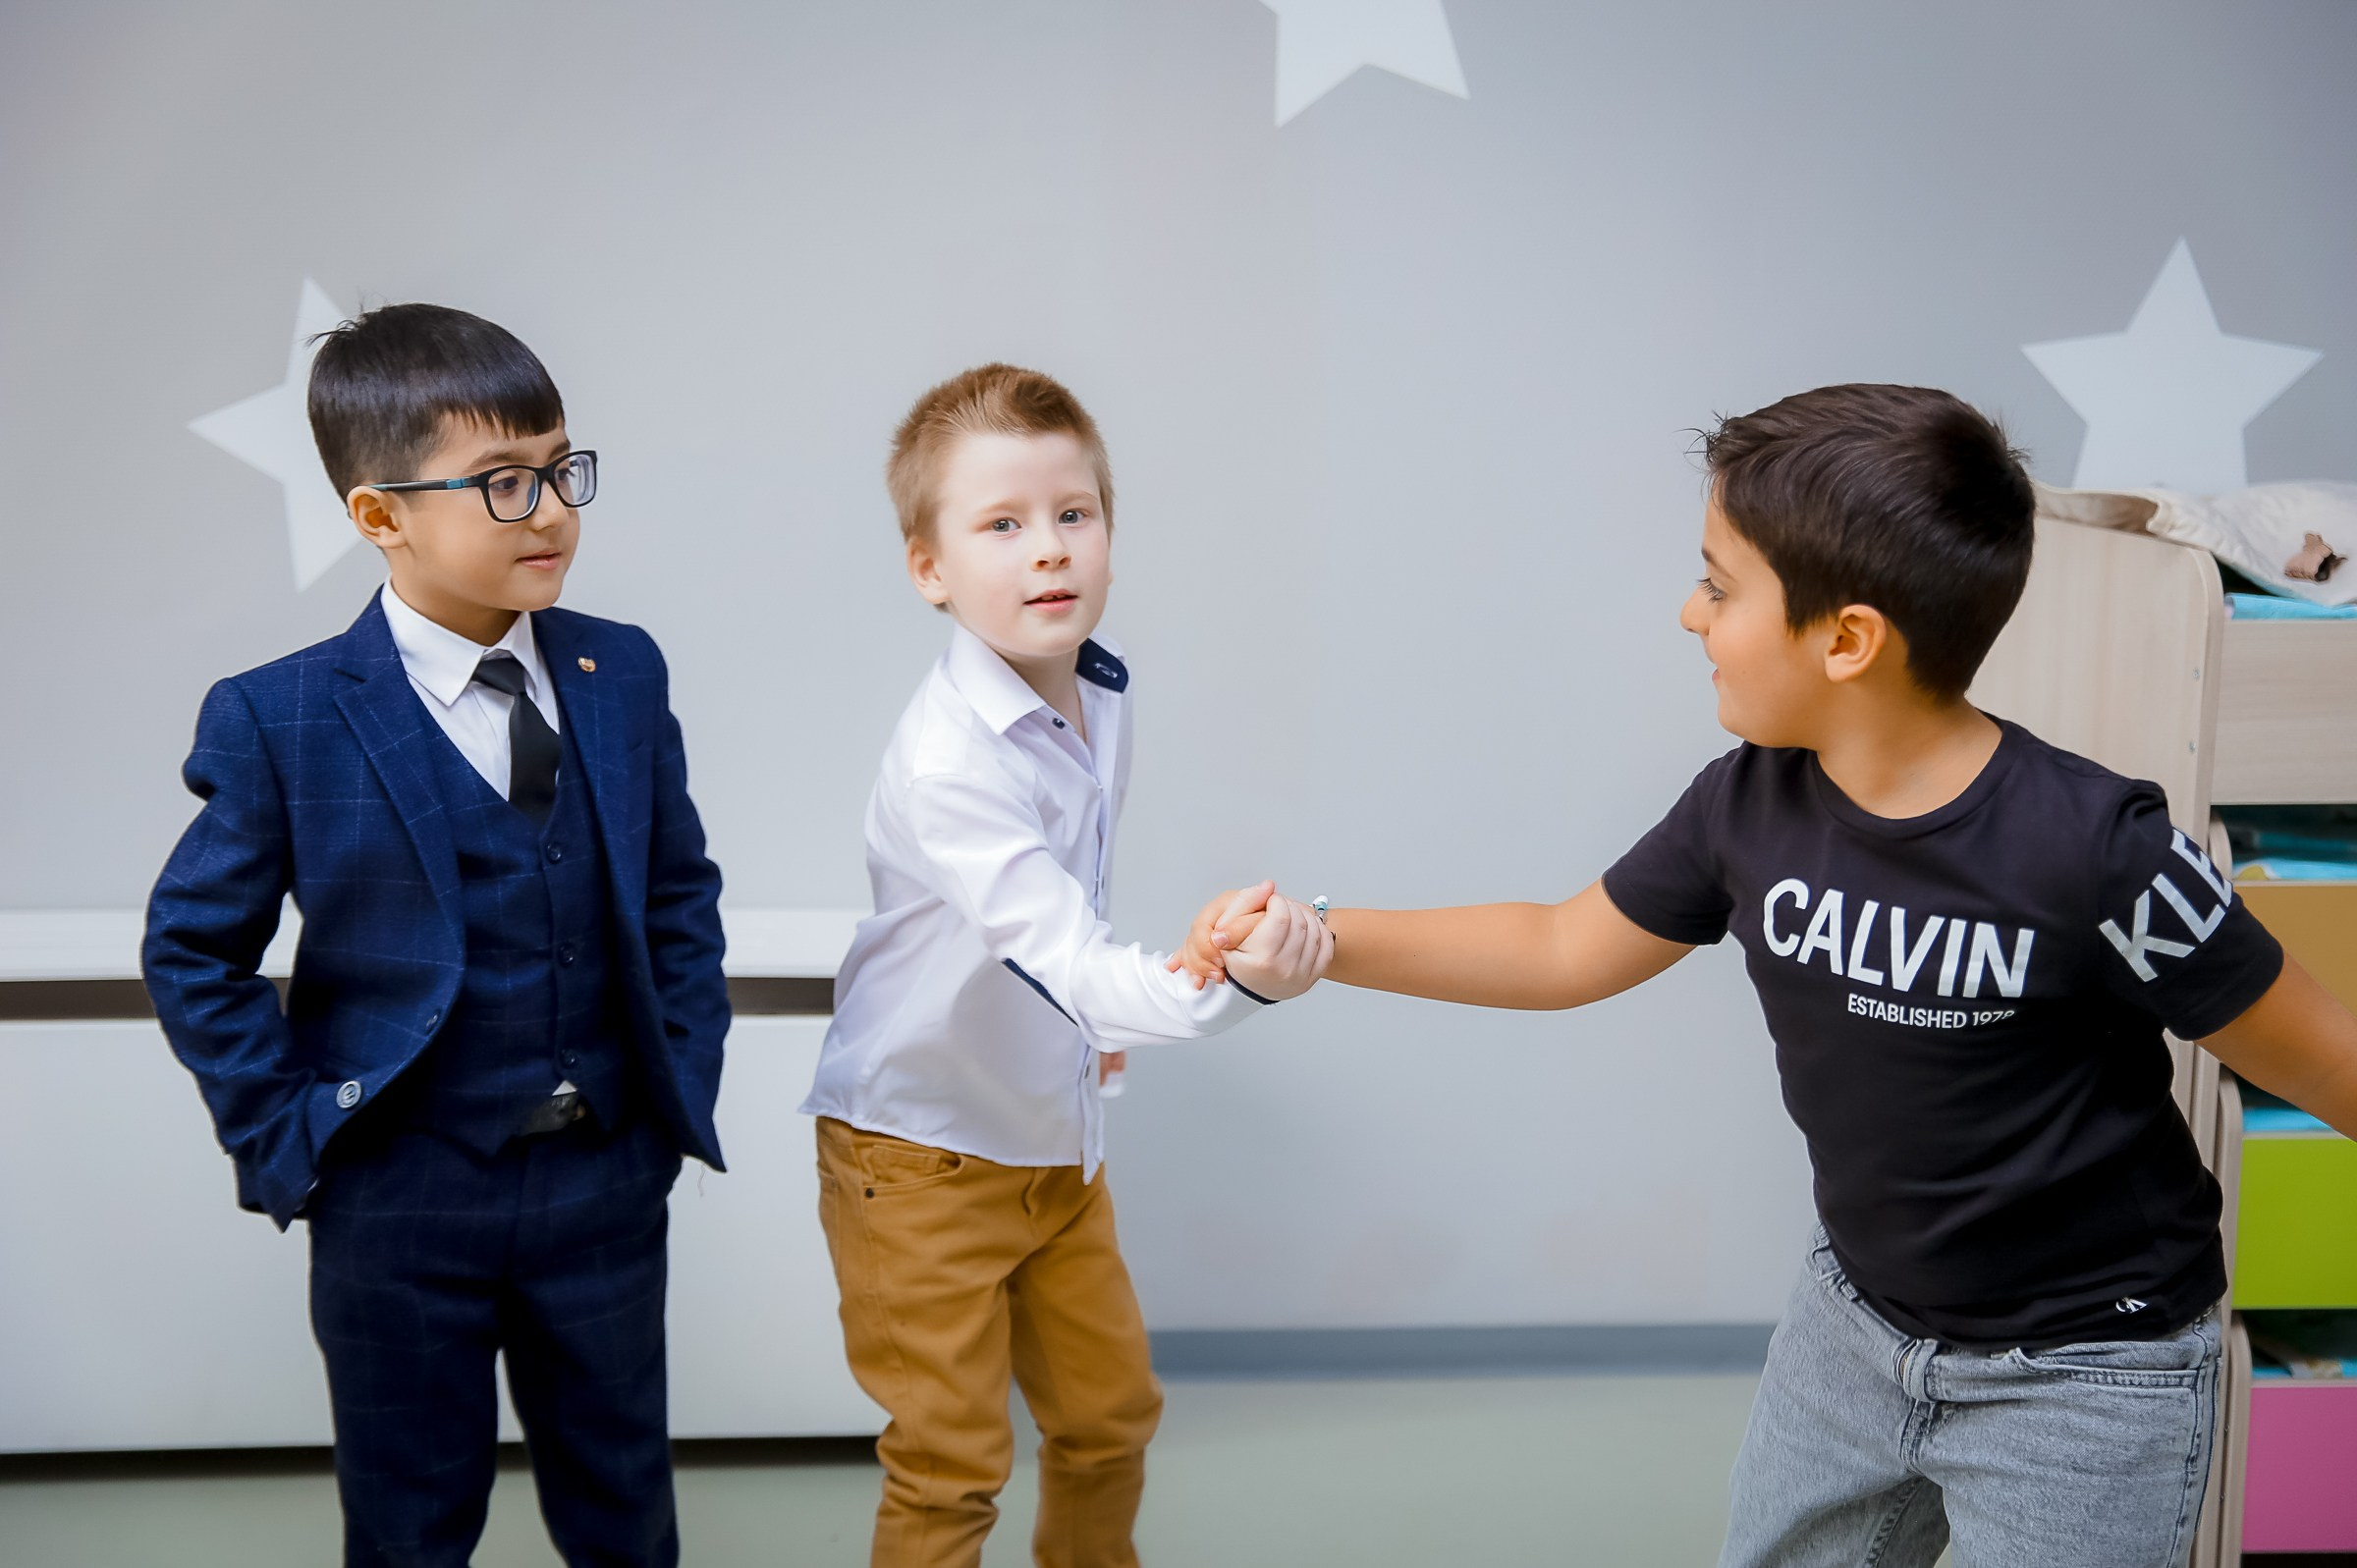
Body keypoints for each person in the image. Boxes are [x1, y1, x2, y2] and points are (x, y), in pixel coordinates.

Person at [1181, 383, 2357, 1567]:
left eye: (1719, 585)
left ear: (1847, 640)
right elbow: (1560, 946)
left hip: (2085, 1372)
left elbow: (2323, 1059)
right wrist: (1317, 939)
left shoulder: (2101, 849)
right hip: (1853, 1324)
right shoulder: (1746, 804)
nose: (1688, 613)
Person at [143, 303, 728, 1567]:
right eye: (503, 483)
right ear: (380, 515)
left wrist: (674, 1089)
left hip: (604, 1179)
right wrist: (294, 1135)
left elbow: (679, 895)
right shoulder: (283, 715)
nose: (551, 510)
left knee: (628, 1512)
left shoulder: (622, 673)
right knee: (410, 1525)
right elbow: (192, 949)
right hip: (396, 1196)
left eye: (562, 468)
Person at [801, 362, 1331, 1568]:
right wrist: (1234, 984)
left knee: (1109, 1421)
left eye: (1072, 513)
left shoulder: (1101, 679)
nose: (1049, 547)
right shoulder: (949, 762)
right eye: (1001, 524)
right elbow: (1067, 957)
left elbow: (1067, 918)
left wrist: (1168, 975)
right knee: (949, 1466)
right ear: (930, 568)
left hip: (1053, 1139)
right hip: (920, 1153)